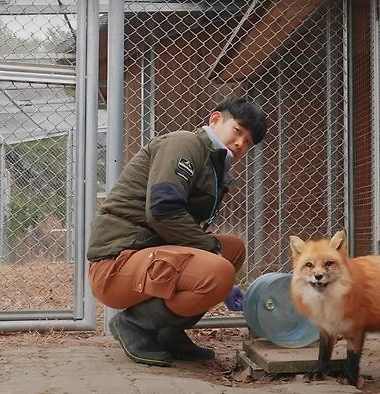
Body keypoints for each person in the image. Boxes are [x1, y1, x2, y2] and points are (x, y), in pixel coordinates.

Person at [87, 96, 268, 366]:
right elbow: (163, 211)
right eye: (238, 131)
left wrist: (216, 252)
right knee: (219, 269)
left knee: (233, 248)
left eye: (248, 142)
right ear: (216, 119)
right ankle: (134, 325)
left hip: (148, 254)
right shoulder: (185, 144)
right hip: (116, 262)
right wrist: (212, 253)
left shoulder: (213, 162)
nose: (241, 144)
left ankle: (169, 332)